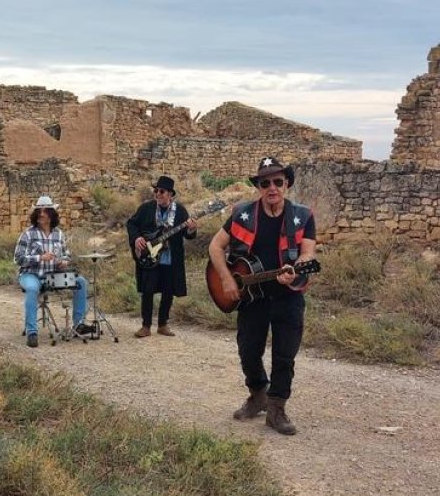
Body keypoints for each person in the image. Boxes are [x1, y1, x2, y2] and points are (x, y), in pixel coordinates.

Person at [208, 157, 316, 435]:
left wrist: (295, 270)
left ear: (287, 184)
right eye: (265, 182)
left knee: (284, 355)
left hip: (287, 296)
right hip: (251, 298)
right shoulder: (243, 213)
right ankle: (258, 394)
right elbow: (215, 247)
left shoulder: (302, 216)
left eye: (278, 182)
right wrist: (226, 278)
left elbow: (308, 253)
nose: (272, 187)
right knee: (248, 350)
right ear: (258, 186)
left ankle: (277, 408)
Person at [14, 195, 94, 347]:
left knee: (81, 282)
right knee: (31, 288)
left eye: (45, 211)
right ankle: (32, 332)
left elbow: (66, 254)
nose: (41, 214)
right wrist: (40, 258)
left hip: (53, 275)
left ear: (51, 214)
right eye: (39, 211)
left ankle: (79, 324)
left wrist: (64, 261)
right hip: (31, 274)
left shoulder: (59, 234)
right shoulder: (28, 234)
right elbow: (18, 258)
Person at [126, 175, 197, 338]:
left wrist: (192, 229)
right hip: (149, 257)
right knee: (148, 290)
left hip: (170, 259)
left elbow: (188, 235)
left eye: (161, 191)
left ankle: (163, 325)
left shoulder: (180, 211)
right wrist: (137, 238)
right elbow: (131, 224)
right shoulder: (146, 208)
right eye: (156, 191)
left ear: (170, 194)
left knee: (168, 291)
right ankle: (146, 326)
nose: (157, 194)